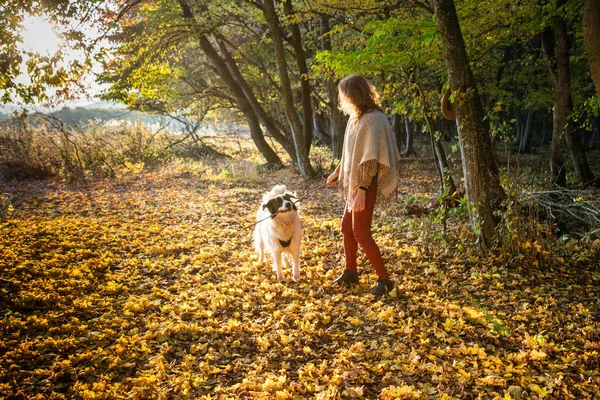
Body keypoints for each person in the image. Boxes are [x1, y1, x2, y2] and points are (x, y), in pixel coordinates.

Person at [326, 74, 400, 296]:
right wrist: (338, 172)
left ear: (354, 93)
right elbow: (351, 153)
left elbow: (372, 159)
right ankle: (351, 272)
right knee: (347, 228)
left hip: (366, 186)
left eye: (345, 94)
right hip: (355, 186)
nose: (344, 99)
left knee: (360, 232)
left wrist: (362, 191)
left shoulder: (374, 120)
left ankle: (385, 281)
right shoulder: (356, 117)